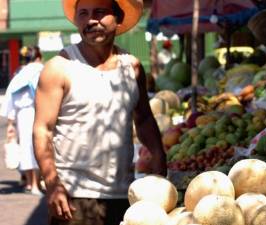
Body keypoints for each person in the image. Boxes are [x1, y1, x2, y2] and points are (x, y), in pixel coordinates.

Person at [32, 0, 167, 224]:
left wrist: (158, 152)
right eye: (83, 13)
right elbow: (42, 130)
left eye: (100, 12)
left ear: (119, 18)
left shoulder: (132, 68)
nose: (91, 20)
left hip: (123, 195)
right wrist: (52, 183)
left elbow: (143, 118)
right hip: (75, 196)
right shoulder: (59, 68)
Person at [0, 46, 44, 195]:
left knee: (26, 148)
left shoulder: (20, 75)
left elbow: (10, 99)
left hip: (22, 115)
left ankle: (29, 183)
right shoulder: (42, 70)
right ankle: (37, 184)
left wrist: (11, 124)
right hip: (40, 113)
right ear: (38, 57)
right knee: (39, 148)